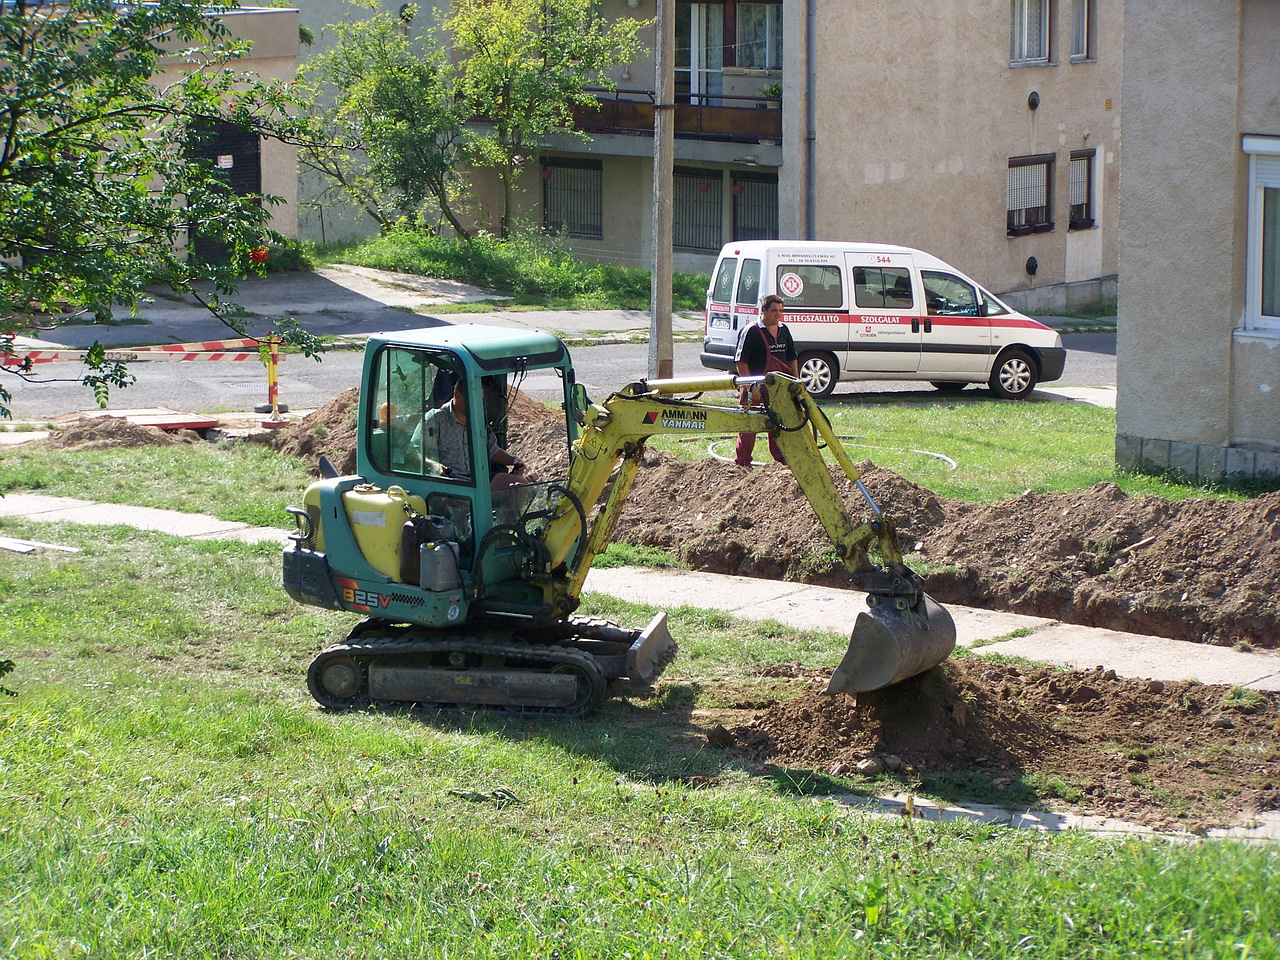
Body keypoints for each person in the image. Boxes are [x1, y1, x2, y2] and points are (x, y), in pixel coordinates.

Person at [413, 381, 535, 489]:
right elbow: (414, 453)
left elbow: (492, 451)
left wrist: (513, 460)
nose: (480, 404)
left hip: (480, 480)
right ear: (458, 396)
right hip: (451, 484)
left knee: (520, 485)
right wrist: (434, 466)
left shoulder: (479, 421)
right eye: (474, 398)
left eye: (481, 399)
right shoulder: (435, 420)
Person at [733, 293, 799, 467]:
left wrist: (796, 381)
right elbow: (741, 361)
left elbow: (792, 356)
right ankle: (742, 462)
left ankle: (781, 462)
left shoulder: (784, 330)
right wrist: (750, 386)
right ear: (764, 310)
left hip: (779, 388)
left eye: (781, 311)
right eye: (774, 311)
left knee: (779, 423)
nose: (778, 314)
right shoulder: (752, 331)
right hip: (756, 387)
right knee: (750, 424)